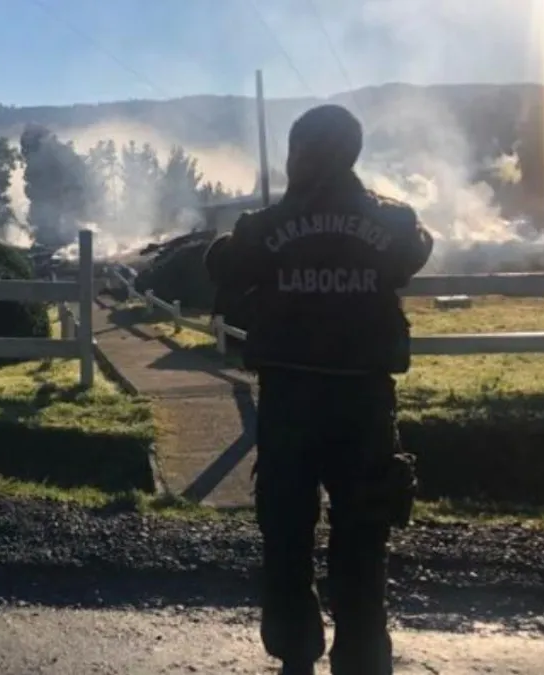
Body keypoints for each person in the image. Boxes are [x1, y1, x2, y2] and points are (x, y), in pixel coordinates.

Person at [203, 104, 433, 675]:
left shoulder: (265, 227)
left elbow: (222, 265)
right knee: (363, 533)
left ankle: (295, 647)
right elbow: (416, 251)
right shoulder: (394, 222)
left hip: (290, 400)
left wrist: (286, 217)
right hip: (364, 402)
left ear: (300, 152)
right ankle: (361, 656)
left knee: (285, 530)